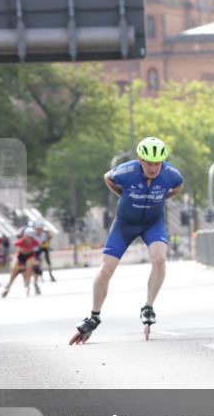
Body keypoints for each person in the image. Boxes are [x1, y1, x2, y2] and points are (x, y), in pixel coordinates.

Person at [70, 136, 184, 345]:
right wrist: (123, 194)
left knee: (159, 259)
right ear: (140, 160)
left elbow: (178, 187)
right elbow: (107, 177)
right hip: (125, 224)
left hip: (153, 222)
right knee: (107, 269)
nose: (153, 168)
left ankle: (148, 306)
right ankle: (94, 316)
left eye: (157, 163)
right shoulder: (127, 171)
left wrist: (162, 198)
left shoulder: (171, 175)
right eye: (149, 163)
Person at [1, 228, 40, 298]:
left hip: (29, 257)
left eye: (31, 237)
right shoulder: (20, 241)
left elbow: (36, 250)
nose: (30, 239)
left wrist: (36, 262)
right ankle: (8, 285)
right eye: (28, 237)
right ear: (25, 236)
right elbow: (16, 250)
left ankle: (29, 283)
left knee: (32, 266)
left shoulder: (34, 242)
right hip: (20, 258)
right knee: (14, 272)